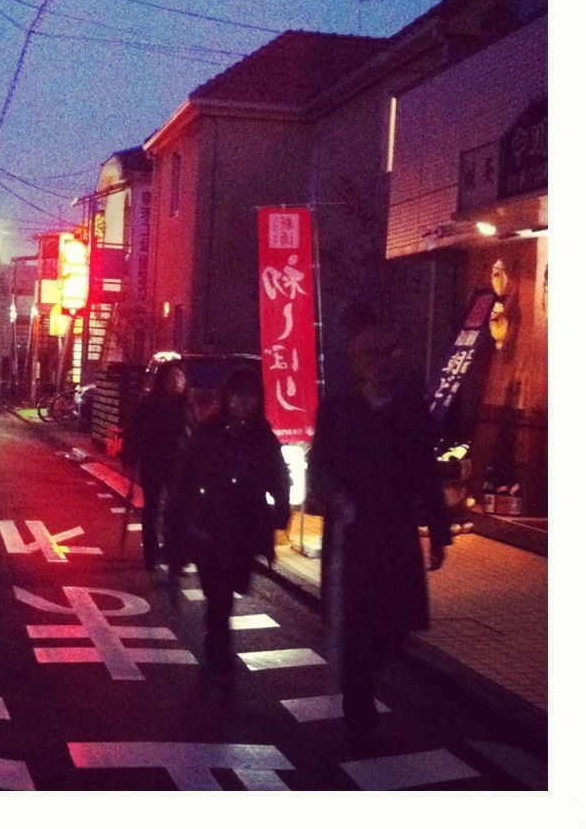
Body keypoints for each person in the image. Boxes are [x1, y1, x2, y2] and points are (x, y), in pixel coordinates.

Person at [308, 318, 452, 742]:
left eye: (389, 354)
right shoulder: (338, 409)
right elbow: (319, 465)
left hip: (395, 531)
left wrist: (440, 532)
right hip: (351, 535)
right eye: (372, 354)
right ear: (356, 361)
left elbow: (426, 472)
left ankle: (363, 678)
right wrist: (331, 494)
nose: (381, 363)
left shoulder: (409, 409)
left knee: (394, 626)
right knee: (356, 622)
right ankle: (358, 700)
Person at [167, 367, 290, 704]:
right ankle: (219, 652)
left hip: (244, 529)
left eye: (249, 397)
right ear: (226, 398)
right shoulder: (207, 435)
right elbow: (184, 483)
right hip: (209, 527)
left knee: (230, 589)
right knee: (218, 595)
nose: (242, 403)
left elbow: (278, 476)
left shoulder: (263, 438)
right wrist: (177, 529)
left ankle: (216, 640)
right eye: (237, 396)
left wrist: (281, 507)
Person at [123, 361, 192, 570]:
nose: (176, 382)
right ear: (162, 381)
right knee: (152, 508)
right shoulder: (149, 404)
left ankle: (176, 554)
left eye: (179, 377)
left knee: (178, 509)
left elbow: (197, 434)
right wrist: (130, 455)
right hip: (153, 462)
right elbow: (133, 431)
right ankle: (151, 554)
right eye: (171, 377)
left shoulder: (188, 406)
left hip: (179, 464)